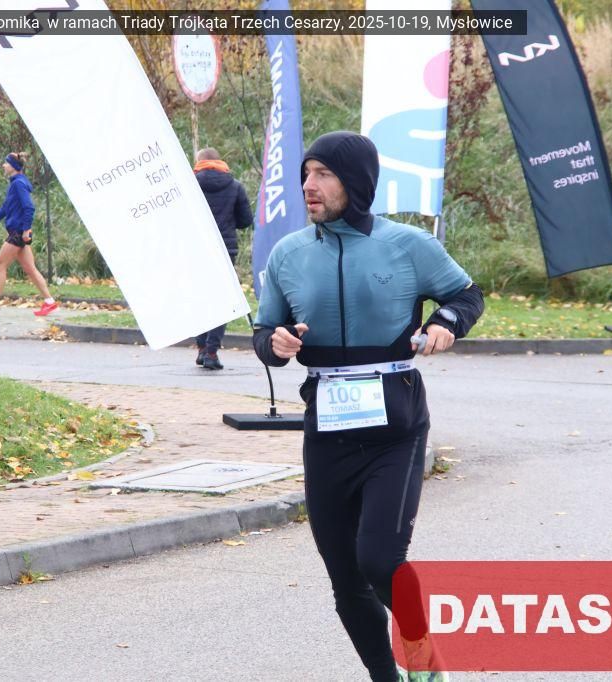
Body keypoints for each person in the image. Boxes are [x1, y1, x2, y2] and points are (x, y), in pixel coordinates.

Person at [252, 132, 484, 682]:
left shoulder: (407, 245)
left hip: (395, 427)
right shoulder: (288, 254)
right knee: (345, 578)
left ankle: (423, 660)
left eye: (323, 174)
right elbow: (265, 331)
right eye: (306, 173)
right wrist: (275, 344)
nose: (309, 185)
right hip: (326, 429)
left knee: (379, 560)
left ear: (354, 183)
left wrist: (445, 323)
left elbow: (466, 295)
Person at [0, 152, 57, 317]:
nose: (3, 165)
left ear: (13, 166)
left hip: (18, 232)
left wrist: (26, 229)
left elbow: (29, 207)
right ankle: (50, 302)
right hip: (18, 231)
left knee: (0, 265)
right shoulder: (16, 184)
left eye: (6, 163)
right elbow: (5, 209)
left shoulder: (18, 184)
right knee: (30, 268)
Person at [192, 147, 254, 370]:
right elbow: (245, 220)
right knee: (221, 300)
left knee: (200, 297)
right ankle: (212, 352)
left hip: (197, 249)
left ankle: (201, 348)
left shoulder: (190, 185)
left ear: (199, 161)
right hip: (225, 249)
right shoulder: (235, 186)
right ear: (220, 162)